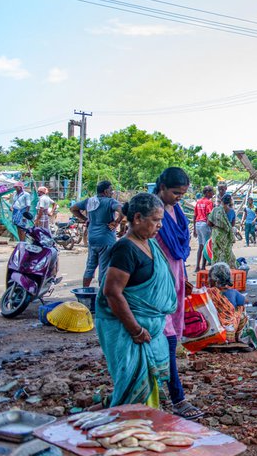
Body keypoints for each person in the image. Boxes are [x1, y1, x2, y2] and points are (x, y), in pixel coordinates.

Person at [96, 193, 177, 409]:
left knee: (143, 389)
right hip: (130, 330)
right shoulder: (126, 248)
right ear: (138, 218)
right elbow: (112, 292)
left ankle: (135, 423)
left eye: (161, 220)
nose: (160, 225)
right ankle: (122, 429)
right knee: (132, 388)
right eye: (156, 220)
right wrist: (135, 330)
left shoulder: (149, 244)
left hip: (150, 328)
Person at [152, 167, 203, 419]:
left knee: (168, 337)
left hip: (175, 276)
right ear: (161, 187)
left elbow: (178, 247)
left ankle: (164, 394)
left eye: (182, 194)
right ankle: (177, 398)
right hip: (156, 283)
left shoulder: (176, 210)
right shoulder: (154, 212)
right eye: (175, 193)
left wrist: (183, 276)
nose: (178, 198)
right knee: (166, 338)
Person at [72, 180, 123, 287]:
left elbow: (73, 209)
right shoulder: (110, 202)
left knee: (90, 266)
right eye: (110, 189)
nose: (112, 192)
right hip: (106, 239)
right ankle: (101, 296)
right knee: (104, 269)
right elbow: (122, 210)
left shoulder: (89, 201)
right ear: (105, 191)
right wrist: (116, 222)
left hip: (92, 238)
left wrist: (85, 219)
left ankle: (85, 291)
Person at [207, 262, 247, 342]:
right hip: (229, 330)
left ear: (215, 281)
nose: (208, 280)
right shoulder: (233, 292)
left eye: (209, 277)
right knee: (241, 308)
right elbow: (245, 301)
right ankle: (237, 335)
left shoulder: (208, 292)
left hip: (211, 330)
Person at [208, 193, 236, 267]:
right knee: (227, 252)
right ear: (230, 202)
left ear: (221, 200)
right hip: (227, 236)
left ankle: (215, 268)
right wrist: (225, 227)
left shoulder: (216, 210)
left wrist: (217, 226)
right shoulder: (232, 211)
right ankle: (226, 268)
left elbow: (209, 223)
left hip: (217, 234)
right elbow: (232, 224)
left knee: (216, 253)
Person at [193, 186, 215, 273]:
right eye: (211, 192)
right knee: (206, 246)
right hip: (205, 224)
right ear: (207, 193)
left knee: (200, 246)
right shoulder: (209, 202)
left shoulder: (198, 202)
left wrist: (194, 229)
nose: (212, 194)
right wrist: (212, 226)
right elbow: (208, 215)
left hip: (198, 224)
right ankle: (203, 266)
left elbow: (195, 215)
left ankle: (197, 266)